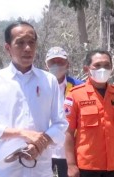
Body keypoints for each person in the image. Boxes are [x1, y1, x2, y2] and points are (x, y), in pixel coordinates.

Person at [0, 21, 68, 177]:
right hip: (5, 170)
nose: (27, 48)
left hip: (40, 169)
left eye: (31, 42)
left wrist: (40, 143)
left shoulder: (49, 80)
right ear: (8, 48)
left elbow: (60, 123)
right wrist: (21, 134)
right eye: (20, 43)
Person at [64, 50, 114, 177]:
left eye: (107, 65)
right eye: (97, 65)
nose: (102, 69)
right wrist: (70, 165)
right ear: (87, 69)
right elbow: (67, 132)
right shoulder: (75, 95)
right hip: (88, 166)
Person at [45, 46, 83, 177]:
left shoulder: (79, 86)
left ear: (68, 64)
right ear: (46, 65)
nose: (56, 65)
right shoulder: (39, 86)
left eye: (60, 61)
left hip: (69, 153)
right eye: (52, 62)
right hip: (44, 151)